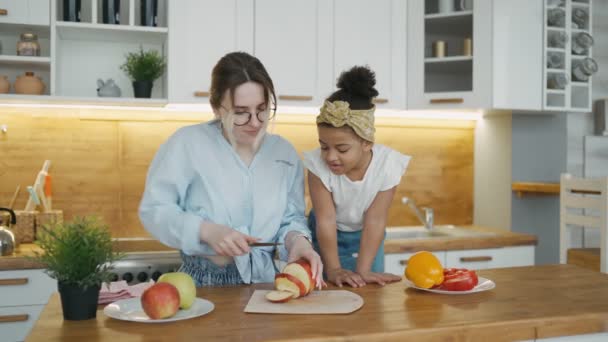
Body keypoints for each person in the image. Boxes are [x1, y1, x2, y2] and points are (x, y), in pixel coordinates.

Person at [139, 51, 323, 288]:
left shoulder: (284, 153)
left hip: (265, 283)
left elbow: (291, 218)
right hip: (203, 283)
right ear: (216, 107)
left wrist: (299, 242)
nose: (255, 122)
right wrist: (206, 231)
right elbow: (155, 211)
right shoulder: (187, 144)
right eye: (241, 113)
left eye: (262, 109)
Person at [304, 66, 410, 288]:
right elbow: (326, 219)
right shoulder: (316, 165)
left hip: (368, 236)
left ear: (366, 143)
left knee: (368, 290)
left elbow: (375, 219)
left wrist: (364, 270)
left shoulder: (387, 165)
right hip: (325, 235)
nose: (330, 157)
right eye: (324, 147)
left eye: (341, 149)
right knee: (330, 292)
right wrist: (332, 269)